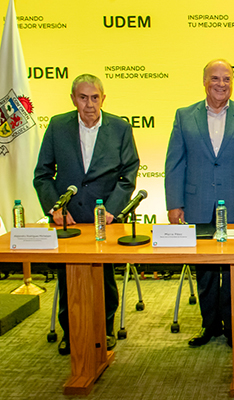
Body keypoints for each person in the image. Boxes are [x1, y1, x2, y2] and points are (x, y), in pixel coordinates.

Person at [33, 74, 140, 355]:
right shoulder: (57, 126)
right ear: (73, 99)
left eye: (94, 98)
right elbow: (42, 174)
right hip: (68, 218)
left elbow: (128, 174)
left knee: (103, 277)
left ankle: (105, 329)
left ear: (103, 98)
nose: (89, 104)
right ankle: (72, 332)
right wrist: (56, 207)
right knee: (69, 277)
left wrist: (112, 210)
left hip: (105, 217)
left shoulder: (120, 128)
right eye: (83, 98)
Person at [165, 59, 234, 348]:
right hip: (197, 205)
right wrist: (174, 202)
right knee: (206, 271)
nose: (222, 84)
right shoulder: (184, 116)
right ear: (204, 82)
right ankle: (209, 325)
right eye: (215, 78)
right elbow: (175, 162)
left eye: (227, 78)